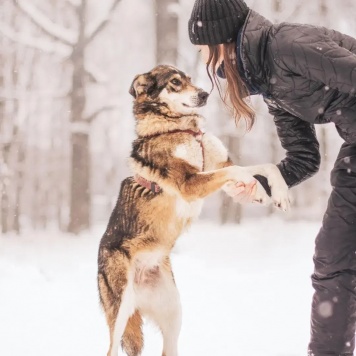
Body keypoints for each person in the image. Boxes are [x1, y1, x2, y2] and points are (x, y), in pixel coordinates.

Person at [188, 0, 356, 355]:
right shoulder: (270, 83)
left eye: (204, 50)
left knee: (336, 258)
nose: (205, 61)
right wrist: (262, 182)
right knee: (333, 258)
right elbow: (304, 158)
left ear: (223, 41)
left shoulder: (287, 46)